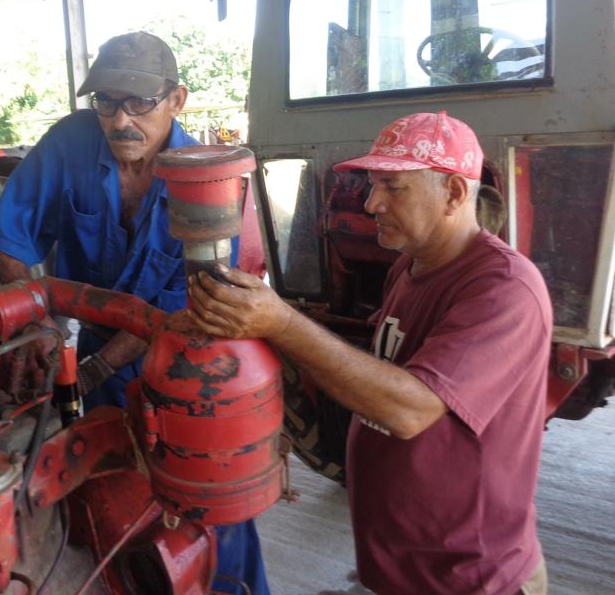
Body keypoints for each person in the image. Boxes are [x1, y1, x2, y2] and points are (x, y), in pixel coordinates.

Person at [187, 111, 552, 595]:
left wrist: (282, 323)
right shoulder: (409, 267)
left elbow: (410, 407)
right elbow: (373, 370)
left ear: (455, 194)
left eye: (393, 188)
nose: (371, 202)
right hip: (398, 569)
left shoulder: (504, 289)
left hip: (468, 577)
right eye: (373, 184)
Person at [0, 31, 270, 595]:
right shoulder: (70, 145)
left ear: (177, 100)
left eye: (139, 103)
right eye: (106, 102)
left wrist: (100, 366)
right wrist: (39, 325)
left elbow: (195, 302)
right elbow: (8, 236)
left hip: (189, 358)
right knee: (110, 506)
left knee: (212, 506)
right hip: (90, 357)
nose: (119, 120)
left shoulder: (207, 179)